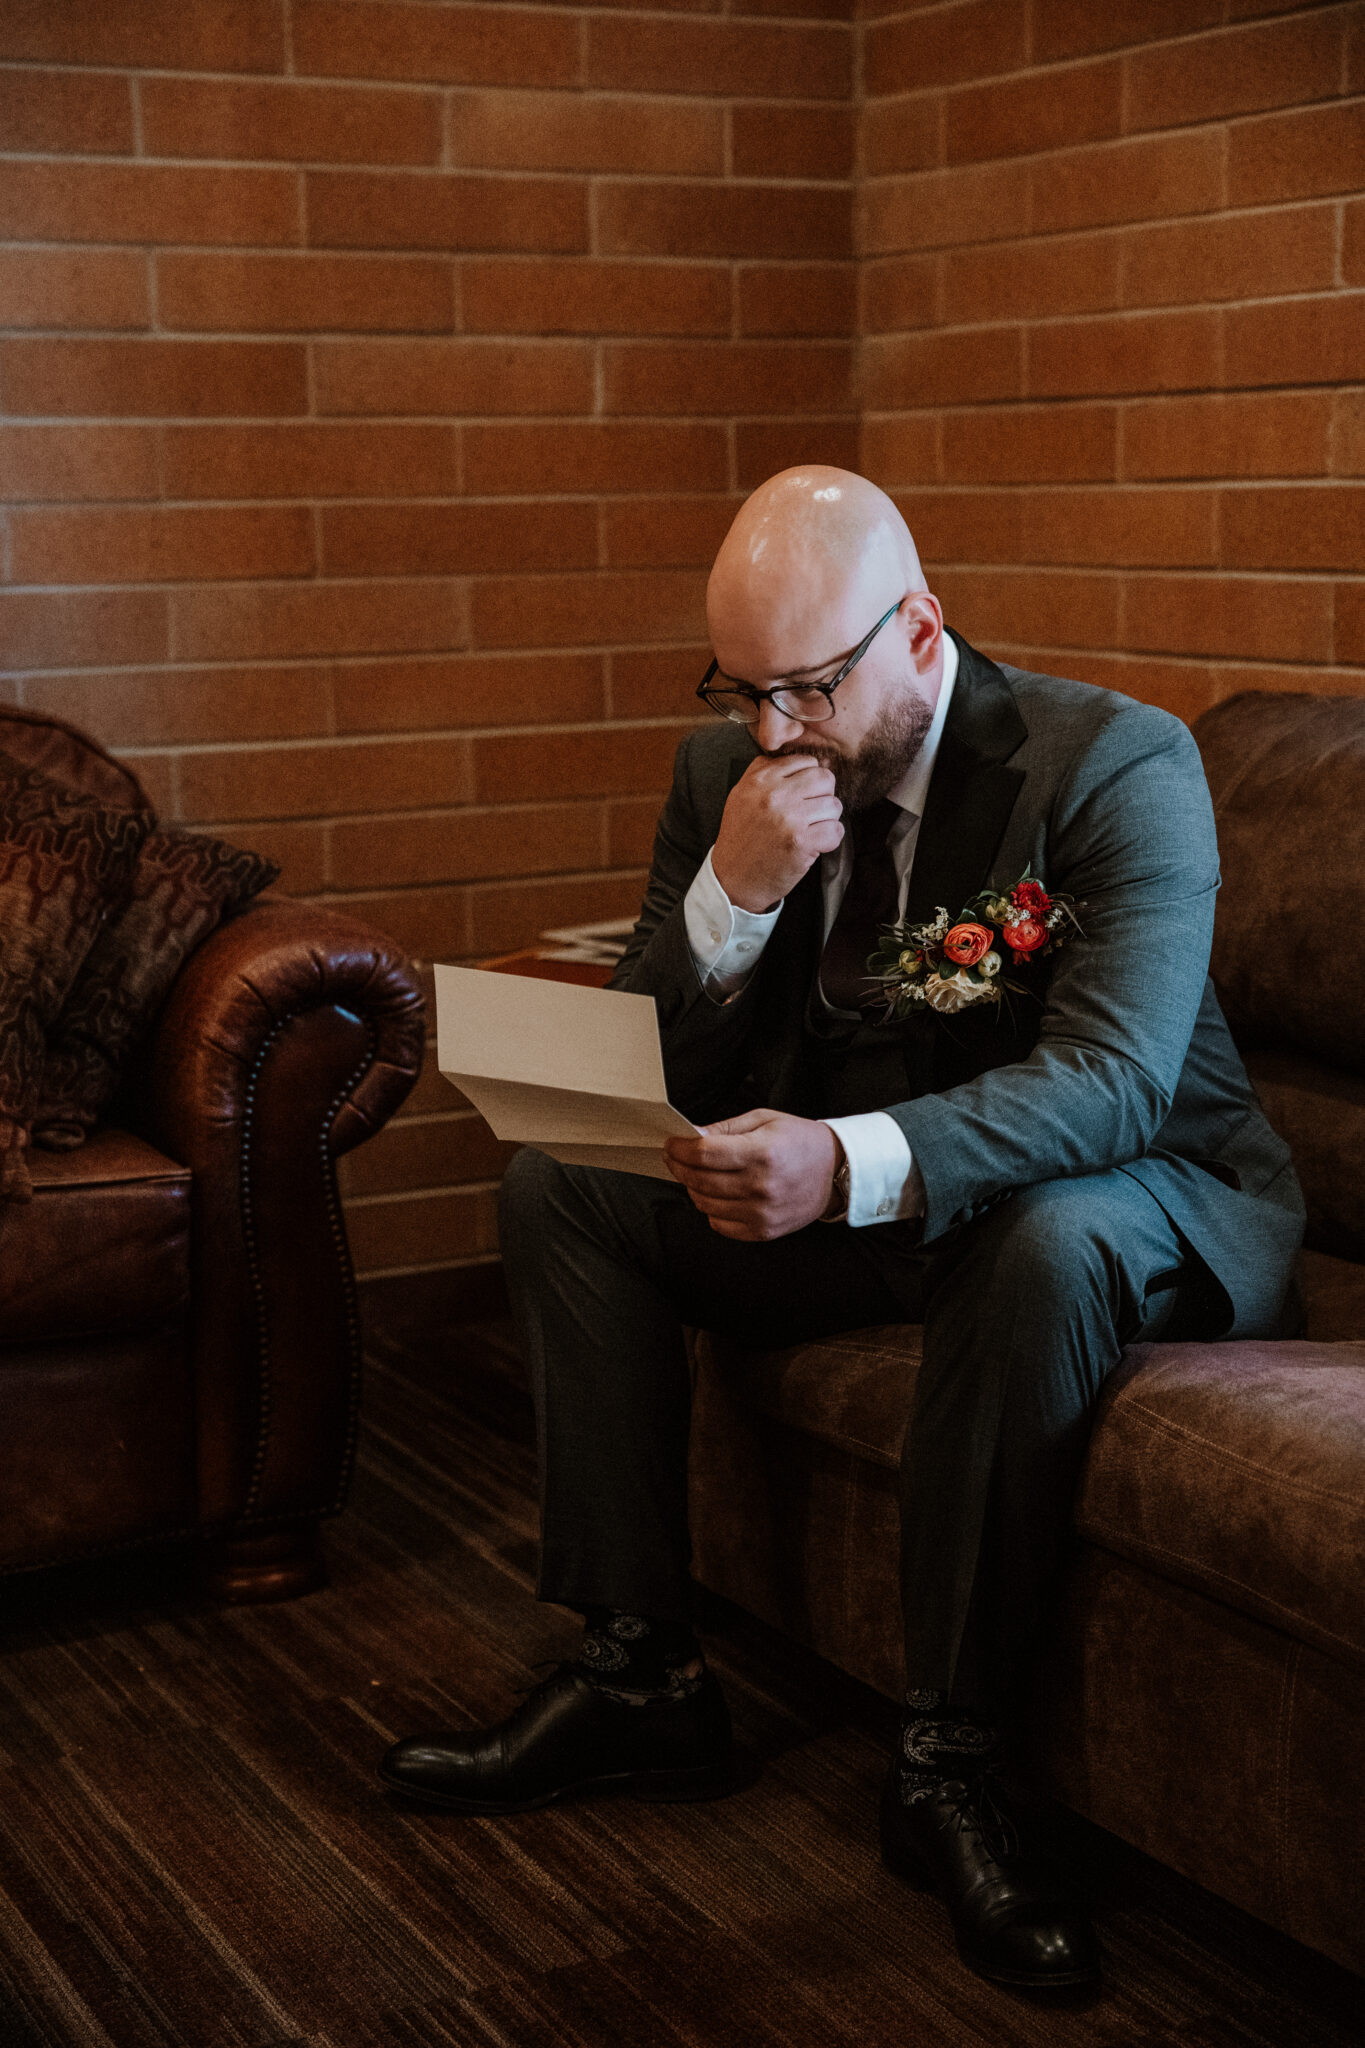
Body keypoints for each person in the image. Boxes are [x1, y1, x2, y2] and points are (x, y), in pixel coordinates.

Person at [381, 469, 1303, 1990]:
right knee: (565, 1185)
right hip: (878, 1201)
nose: (769, 734)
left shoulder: (1108, 763)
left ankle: (950, 1764)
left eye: (807, 689)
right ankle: (639, 1680)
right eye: (741, 691)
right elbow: (643, 1071)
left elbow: (1115, 1080)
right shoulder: (719, 780)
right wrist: (729, 907)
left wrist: (845, 1158)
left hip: (1139, 1187)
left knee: (1049, 1240)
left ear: (920, 633)